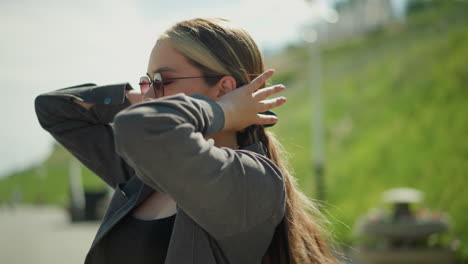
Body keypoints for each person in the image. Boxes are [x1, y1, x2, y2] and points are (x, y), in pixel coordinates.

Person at [35, 18, 337, 264]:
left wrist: (224, 110)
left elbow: (140, 126)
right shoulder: (149, 174)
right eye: (148, 81)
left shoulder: (250, 180)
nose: (150, 95)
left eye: (163, 81)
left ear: (224, 88)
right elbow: (54, 110)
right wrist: (147, 93)